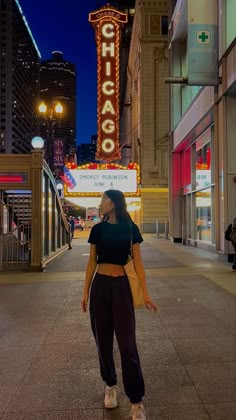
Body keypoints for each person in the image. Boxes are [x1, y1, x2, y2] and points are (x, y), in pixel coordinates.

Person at [81, 190, 157, 420]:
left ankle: (136, 401)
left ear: (113, 203)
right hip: (100, 288)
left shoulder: (130, 229)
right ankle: (110, 384)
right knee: (102, 341)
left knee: (128, 345)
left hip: (122, 288)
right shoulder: (97, 229)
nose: (100, 203)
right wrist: (85, 293)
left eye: (104, 199)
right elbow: (91, 262)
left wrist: (146, 294)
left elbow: (139, 264)